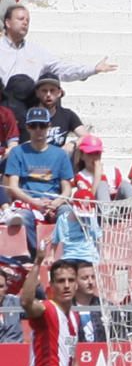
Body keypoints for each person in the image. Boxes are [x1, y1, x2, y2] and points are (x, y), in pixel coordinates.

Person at [3, 107, 73, 260]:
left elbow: (67, 188)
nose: (38, 130)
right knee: (22, 216)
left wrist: (55, 203)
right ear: (28, 127)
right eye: (34, 126)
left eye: (42, 126)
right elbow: (13, 186)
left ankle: (65, 256)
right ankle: (38, 256)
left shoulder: (60, 154)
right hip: (28, 202)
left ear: (49, 126)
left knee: (68, 213)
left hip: (53, 201)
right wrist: (34, 202)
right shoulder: (18, 152)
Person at [0, 4, 117, 86]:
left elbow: (62, 69)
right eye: (21, 19)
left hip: (29, 109)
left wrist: (93, 69)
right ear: (7, 22)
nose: (25, 23)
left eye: (28, 20)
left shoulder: (37, 52)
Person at [20, 73, 86, 154]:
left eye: (52, 90)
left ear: (59, 92)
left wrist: (73, 144)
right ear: (37, 93)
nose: (48, 94)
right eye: (44, 91)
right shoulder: (28, 115)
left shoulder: (67, 115)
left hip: (58, 160)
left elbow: (86, 137)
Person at [73, 261, 105, 343]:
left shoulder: (104, 306)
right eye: (85, 278)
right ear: (75, 281)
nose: (90, 282)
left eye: (93, 277)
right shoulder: (67, 308)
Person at [0, 269, 22, 343]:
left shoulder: (15, 302)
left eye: (1, 286)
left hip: (17, 352)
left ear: (6, 287)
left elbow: (38, 308)